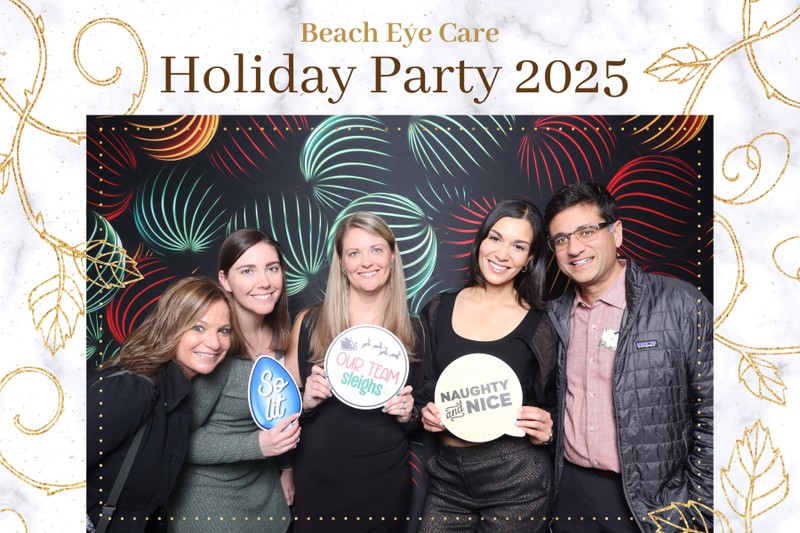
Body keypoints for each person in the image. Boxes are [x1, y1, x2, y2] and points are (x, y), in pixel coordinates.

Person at [543, 183, 713, 533]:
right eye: (561, 239)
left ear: (616, 232)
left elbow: (718, 411)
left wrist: (698, 505)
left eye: (586, 232)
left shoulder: (679, 304)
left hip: (656, 502)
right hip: (571, 493)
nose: (574, 248)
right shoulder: (553, 316)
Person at [416, 199, 557, 532]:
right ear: (480, 242)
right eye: (495, 238)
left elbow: (554, 403)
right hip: (447, 475)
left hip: (516, 477)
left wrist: (548, 429)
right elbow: (424, 389)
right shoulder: (439, 308)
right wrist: (425, 412)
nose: (502, 253)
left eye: (518, 246)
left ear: (529, 259)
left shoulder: (541, 325)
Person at [284, 211, 423, 532]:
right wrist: (305, 401)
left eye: (376, 249)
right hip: (317, 481)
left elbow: (423, 413)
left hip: (383, 485)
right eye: (354, 253)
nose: (366, 261)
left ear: (391, 256)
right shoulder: (308, 322)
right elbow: (280, 410)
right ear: (342, 264)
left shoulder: (414, 329)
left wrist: (407, 414)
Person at [168, 229, 301, 531]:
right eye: (247, 271)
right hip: (209, 506)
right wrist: (258, 445)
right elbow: (176, 440)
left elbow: (276, 415)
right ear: (225, 280)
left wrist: (286, 466)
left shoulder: (285, 337)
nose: (264, 282)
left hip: (266, 499)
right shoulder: (212, 346)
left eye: (272, 268)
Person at [87, 276, 236, 533]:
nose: (214, 343)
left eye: (223, 330)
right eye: (198, 328)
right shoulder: (132, 391)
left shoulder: (178, 395)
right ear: (171, 326)